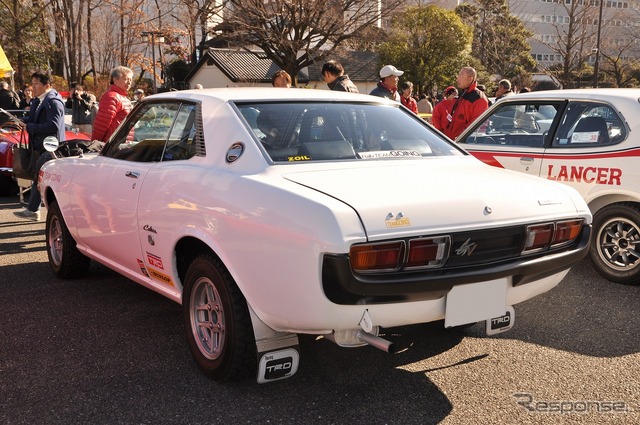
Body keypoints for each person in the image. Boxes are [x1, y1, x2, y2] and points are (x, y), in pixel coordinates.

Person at [13, 71, 66, 221]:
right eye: (33, 83)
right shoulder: (39, 100)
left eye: (36, 84)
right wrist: (22, 120)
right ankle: (33, 209)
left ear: (47, 85)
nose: (33, 87)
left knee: (42, 179)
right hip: (40, 145)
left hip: (50, 147)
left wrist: (30, 127)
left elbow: (53, 126)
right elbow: (34, 118)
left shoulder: (53, 102)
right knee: (38, 178)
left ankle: (36, 210)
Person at [442, 66, 489, 140]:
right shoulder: (463, 94)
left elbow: (475, 126)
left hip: (463, 143)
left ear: (470, 79)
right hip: (453, 141)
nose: (457, 80)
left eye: (461, 76)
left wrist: (459, 138)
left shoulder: (479, 98)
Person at [92, 66, 133, 142]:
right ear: (115, 80)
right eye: (126, 79)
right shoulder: (111, 97)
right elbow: (102, 124)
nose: (129, 82)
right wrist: (95, 144)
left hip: (121, 143)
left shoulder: (123, 97)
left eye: (130, 80)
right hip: (111, 145)